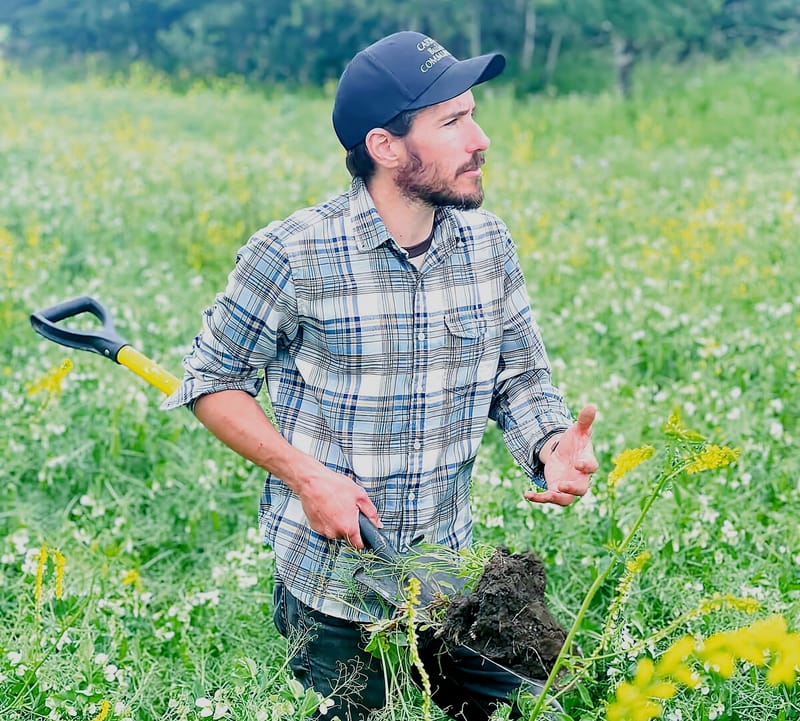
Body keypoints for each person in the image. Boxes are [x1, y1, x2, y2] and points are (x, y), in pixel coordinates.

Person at [162, 30, 598, 721]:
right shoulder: (294, 253)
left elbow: (519, 378)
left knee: (554, 697)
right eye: (453, 121)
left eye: (473, 114)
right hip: (334, 591)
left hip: (450, 577)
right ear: (385, 146)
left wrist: (551, 444)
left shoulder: (488, 244)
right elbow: (213, 380)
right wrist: (306, 476)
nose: (480, 139)